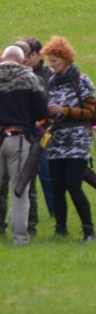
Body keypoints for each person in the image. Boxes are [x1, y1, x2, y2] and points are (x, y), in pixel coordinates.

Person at [39, 37, 96, 242]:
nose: (52, 65)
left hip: (78, 139)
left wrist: (63, 110)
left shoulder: (82, 81)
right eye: (50, 61)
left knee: (73, 185)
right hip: (57, 139)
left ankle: (89, 230)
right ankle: (60, 229)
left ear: (66, 59)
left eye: (55, 61)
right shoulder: (51, 82)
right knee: (57, 186)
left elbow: (89, 112)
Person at [0, 46, 49, 246]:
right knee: (20, 191)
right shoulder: (29, 79)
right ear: (21, 61)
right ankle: (20, 238)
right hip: (19, 139)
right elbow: (41, 111)